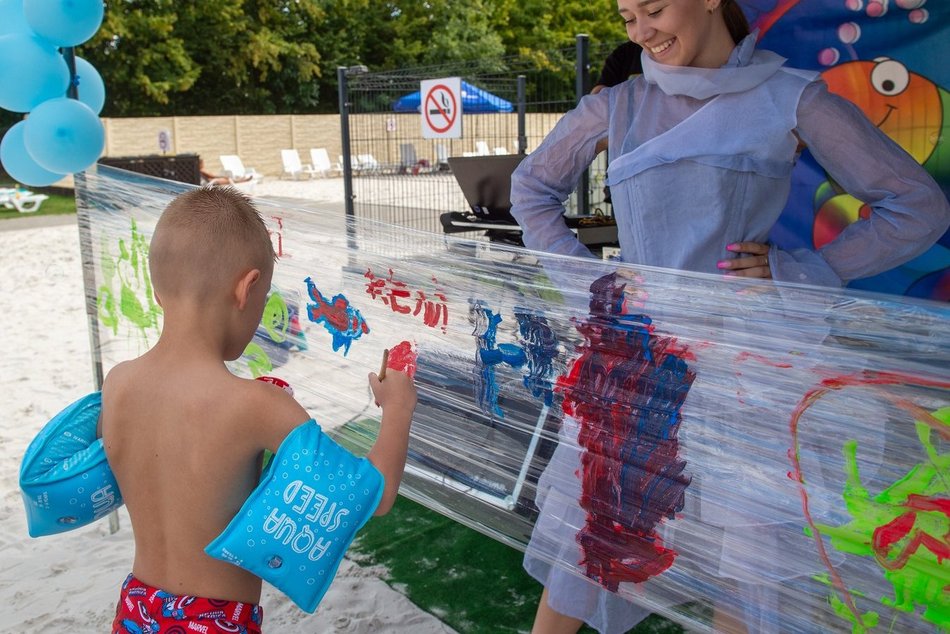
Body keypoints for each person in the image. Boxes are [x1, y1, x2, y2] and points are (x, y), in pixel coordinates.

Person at [510, 1, 950, 633]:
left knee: (747, 561)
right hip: (637, 361)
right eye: (628, 18)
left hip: (747, 370)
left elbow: (917, 206)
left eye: (653, 9)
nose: (642, 32)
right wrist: (590, 282)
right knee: (590, 533)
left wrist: (806, 271)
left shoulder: (791, 98)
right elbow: (530, 190)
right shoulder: (619, 104)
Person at [99, 187, 417, 632]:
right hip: (212, 621)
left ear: (156, 291)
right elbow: (373, 496)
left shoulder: (117, 383)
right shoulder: (255, 405)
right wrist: (398, 409)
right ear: (246, 289)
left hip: (136, 610)